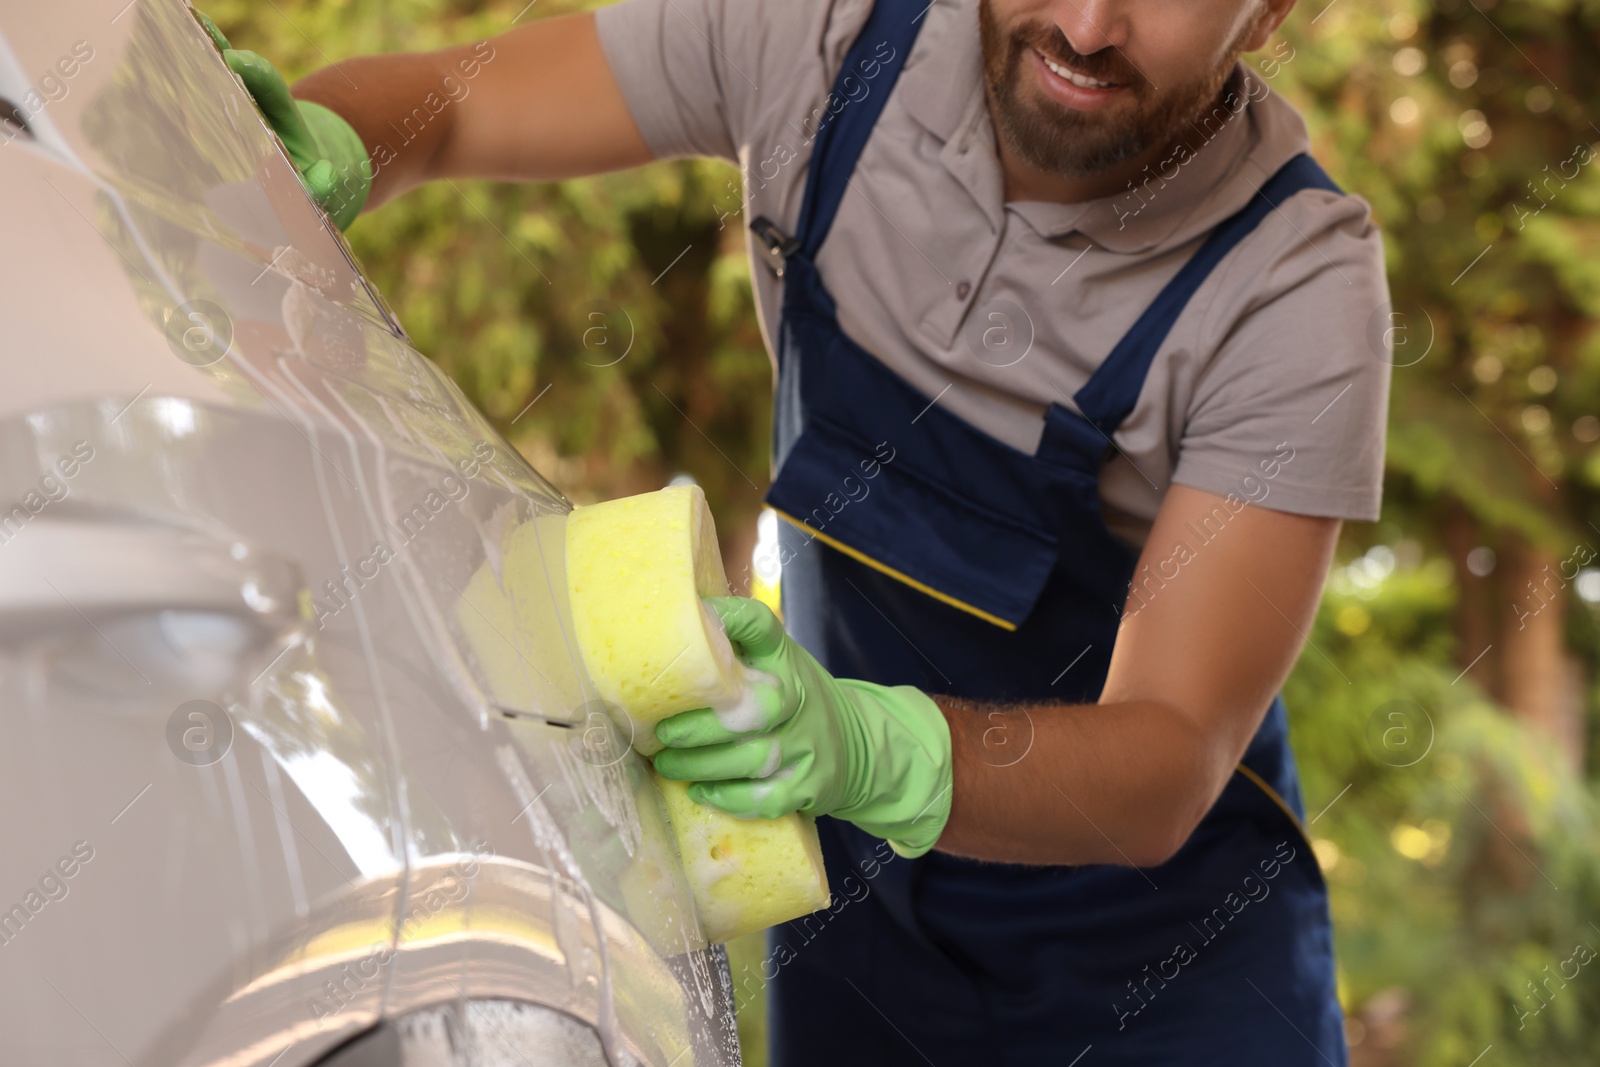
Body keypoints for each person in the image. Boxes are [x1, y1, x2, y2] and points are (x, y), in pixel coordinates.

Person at [202, 0, 1391, 1061]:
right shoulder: (827, 39)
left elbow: (1172, 751)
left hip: (1166, 974)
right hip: (856, 925)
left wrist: (865, 749)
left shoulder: (1292, 287)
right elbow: (455, 108)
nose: (1085, 26)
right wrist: (315, 148)